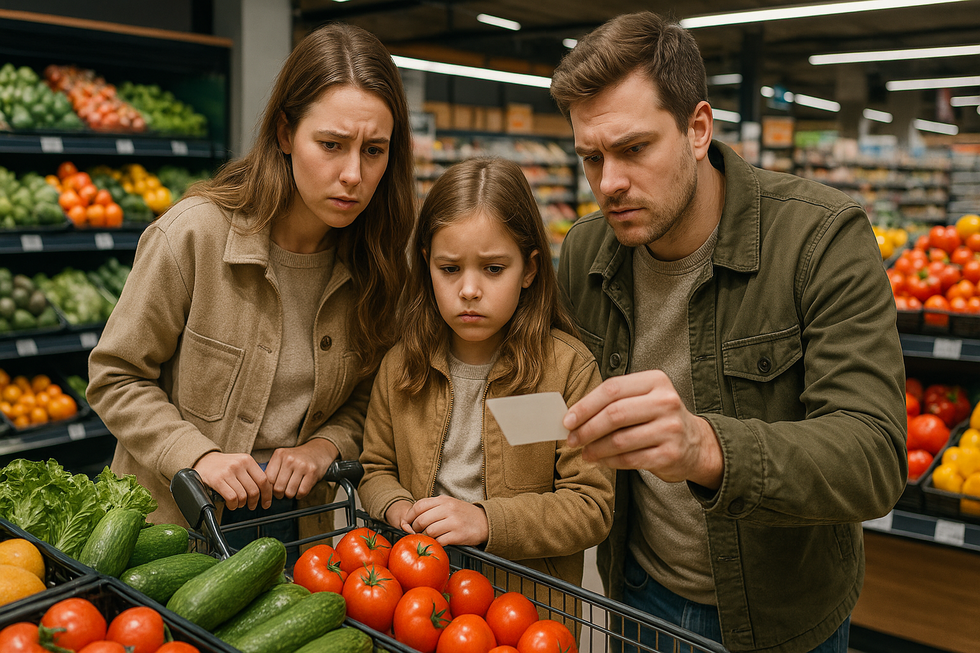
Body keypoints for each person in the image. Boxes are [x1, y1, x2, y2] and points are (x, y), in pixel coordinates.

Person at [549, 12, 907, 653]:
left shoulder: (821, 238)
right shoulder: (584, 255)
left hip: (781, 618)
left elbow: (873, 456)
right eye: (590, 158)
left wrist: (705, 445)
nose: (609, 184)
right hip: (634, 597)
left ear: (697, 129)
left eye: (633, 149)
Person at [87, 23, 415, 549]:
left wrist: (326, 445)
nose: (353, 174)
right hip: (169, 528)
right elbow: (115, 377)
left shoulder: (378, 265)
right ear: (285, 133)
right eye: (331, 144)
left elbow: (368, 397)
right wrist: (197, 455)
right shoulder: (193, 235)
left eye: (374, 151)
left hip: (301, 530)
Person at [358, 157, 615, 593]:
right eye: (450, 269)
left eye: (494, 269)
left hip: (525, 608)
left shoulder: (567, 370)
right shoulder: (401, 366)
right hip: (420, 593)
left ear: (530, 269)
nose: (470, 289)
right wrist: (396, 505)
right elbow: (375, 467)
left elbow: (590, 506)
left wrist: (485, 520)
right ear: (427, 265)